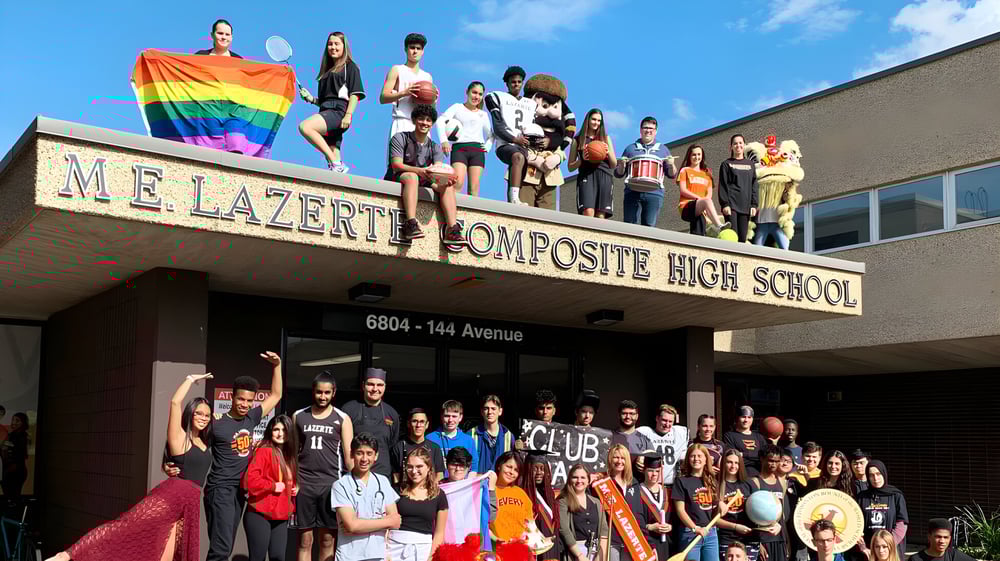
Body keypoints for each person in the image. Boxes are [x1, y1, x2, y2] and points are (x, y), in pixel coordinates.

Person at [45, 373, 214, 561]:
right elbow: (175, 403)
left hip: (189, 503)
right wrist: (190, 379)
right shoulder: (180, 437)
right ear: (190, 413)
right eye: (199, 413)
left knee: (168, 555)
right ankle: (67, 555)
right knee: (124, 526)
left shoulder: (205, 442)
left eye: (207, 415)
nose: (203, 418)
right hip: (170, 497)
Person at [204, 352, 284, 561]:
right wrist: (171, 463)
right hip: (220, 489)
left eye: (249, 400)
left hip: (240, 491)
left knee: (225, 546)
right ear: (232, 396)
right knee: (221, 548)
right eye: (241, 398)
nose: (245, 404)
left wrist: (277, 365)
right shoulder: (216, 423)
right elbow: (193, 445)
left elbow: (276, 395)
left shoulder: (252, 418)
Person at [294, 371, 353, 561]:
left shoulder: (342, 418)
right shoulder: (298, 416)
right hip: (304, 485)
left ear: (333, 393)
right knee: (305, 540)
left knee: (328, 540)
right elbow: (292, 453)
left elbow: (349, 456)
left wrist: (353, 487)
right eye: (319, 392)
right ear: (313, 391)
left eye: (327, 393)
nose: (323, 396)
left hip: (331, 486)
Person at [386, 103, 465, 243]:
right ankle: (410, 223)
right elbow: (396, 165)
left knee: (447, 186)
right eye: (421, 119)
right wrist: (420, 171)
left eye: (428, 120)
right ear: (414, 120)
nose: (424, 123)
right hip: (400, 175)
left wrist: (446, 179)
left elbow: (437, 172)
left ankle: (452, 229)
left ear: (432, 123)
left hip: (425, 178)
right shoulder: (400, 138)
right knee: (412, 177)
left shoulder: (435, 147)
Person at [297, 32, 365, 174]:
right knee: (335, 165)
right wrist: (311, 99)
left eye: (336, 44)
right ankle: (337, 173)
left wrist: (348, 115)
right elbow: (326, 101)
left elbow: (354, 94)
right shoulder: (326, 72)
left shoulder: (350, 67)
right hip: (326, 112)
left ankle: (335, 161)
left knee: (305, 127)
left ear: (344, 46)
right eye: (330, 44)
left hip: (338, 113)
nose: (333, 47)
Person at [331, 433, 401, 561]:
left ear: (376, 456)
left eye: (369, 453)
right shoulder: (340, 485)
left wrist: (359, 525)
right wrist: (384, 521)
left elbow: (395, 521)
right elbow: (352, 525)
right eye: (359, 453)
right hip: (350, 555)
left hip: (378, 554)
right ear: (352, 454)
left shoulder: (383, 481)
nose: (364, 458)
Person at [243, 414, 298, 561]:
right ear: (270, 431)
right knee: (258, 558)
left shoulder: (289, 455)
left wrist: (295, 487)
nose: (280, 434)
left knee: (278, 557)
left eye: (284, 430)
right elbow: (249, 481)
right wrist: (273, 486)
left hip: (280, 515)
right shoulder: (265, 450)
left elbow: (288, 480)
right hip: (260, 513)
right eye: (276, 429)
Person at [484, 66, 536, 205]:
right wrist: (514, 139)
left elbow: (532, 128)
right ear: (507, 83)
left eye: (519, 82)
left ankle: (512, 201)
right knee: (517, 158)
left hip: (522, 146)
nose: (516, 85)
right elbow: (498, 126)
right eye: (513, 82)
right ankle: (514, 199)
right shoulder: (497, 97)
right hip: (505, 144)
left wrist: (537, 141)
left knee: (519, 171)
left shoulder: (531, 104)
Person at [614, 116, 678, 227]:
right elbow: (618, 174)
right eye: (645, 128)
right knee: (629, 225)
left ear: (656, 131)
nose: (648, 130)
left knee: (649, 226)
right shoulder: (630, 148)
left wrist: (672, 164)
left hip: (654, 192)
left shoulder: (663, 149)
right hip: (632, 190)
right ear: (640, 130)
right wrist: (621, 165)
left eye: (651, 128)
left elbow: (672, 175)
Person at [388, 447, 449, 561]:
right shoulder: (396, 490)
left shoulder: (439, 495)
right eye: (410, 467)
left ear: (429, 467)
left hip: (423, 551)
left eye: (419, 466)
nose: (414, 471)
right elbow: (386, 523)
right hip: (394, 549)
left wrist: (431, 557)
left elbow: (439, 533)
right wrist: (386, 552)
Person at [436, 81, 493, 196]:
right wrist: (444, 141)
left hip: (477, 151)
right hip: (460, 149)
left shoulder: (483, 114)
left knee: (474, 188)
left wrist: (488, 145)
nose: (476, 96)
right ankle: (453, 212)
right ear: (467, 92)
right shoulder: (457, 107)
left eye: (480, 94)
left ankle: (471, 214)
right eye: (474, 92)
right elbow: (440, 120)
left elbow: (491, 135)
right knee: (457, 184)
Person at [342, 367, 400, 479]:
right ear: (363, 385)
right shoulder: (349, 410)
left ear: (385, 387)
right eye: (371, 384)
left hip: (382, 475)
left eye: (380, 385)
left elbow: (392, 445)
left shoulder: (392, 414)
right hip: (354, 474)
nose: (375, 389)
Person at [380, 33, 434, 138]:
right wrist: (404, 93)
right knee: (398, 155)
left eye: (418, 48)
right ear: (405, 49)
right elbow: (383, 98)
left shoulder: (427, 77)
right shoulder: (397, 70)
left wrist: (434, 100)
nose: (415, 51)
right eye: (412, 47)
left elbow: (430, 109)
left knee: (423, 154)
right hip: (402, 121)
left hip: (421, 125)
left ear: (422, 51)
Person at [673, 443, 721, 561]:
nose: (696, 459)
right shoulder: (681, 481)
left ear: (706, 460)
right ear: (688, 459)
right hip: (690, 533)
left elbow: (715, 508)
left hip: (710, 532)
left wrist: (721, 505)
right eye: (693, 456)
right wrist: (695, 528)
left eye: (700, 456)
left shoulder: (712, 482)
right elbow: (680, 510)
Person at [568, 109, 617, 218]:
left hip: (604, 175)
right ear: (588, 120)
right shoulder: (577, 139)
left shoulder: (605, 138)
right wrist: (582, 160)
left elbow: (613, 164)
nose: (596, 123)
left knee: (600, 215)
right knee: (588, 212)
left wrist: (607, 152)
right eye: (594, 119)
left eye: (599, 121)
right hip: (586, 176)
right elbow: (570, 167)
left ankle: (599, 236)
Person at [857, 460, 908, 561]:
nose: (875, 478)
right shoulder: (862, 497)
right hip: (869, 551)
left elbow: (902, 523)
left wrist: (888, 544)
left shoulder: (896, 495)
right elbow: (856, 525)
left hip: (891, 548)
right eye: (871, 475)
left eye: (878, 474)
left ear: (884, 473)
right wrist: (862, 546)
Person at [444, 446, 498, 540]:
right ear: (447, 465)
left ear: (468, 468)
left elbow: (490, 517)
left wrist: (491, 489)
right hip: (444, 543)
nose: (457, 469)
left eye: (462, 465)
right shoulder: (437, 488)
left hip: (470, 544)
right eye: (453, 464)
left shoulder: (475, 488)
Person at [677, 145, 730, 237]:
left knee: (699, 231)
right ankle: (719, 226)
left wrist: (705, 204)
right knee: (706, 201)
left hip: (701, 208)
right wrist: (700, 200)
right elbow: (683, 190)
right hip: (686, 206)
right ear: (689, 156)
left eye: (699, 154)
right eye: (694, 155)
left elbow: (709, 195)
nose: (697, 157)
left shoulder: (707, 174)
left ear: (702, 156)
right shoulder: (685, 170)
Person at [558, 463, 609, 561]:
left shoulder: (596, 502)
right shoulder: (563, 501)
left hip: (597, 551)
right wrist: (579, 556)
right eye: (575, 477)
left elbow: (604, 530)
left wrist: (600, 557)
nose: (579, 481)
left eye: (583, 477)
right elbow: (564, 529)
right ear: (569, 480)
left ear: (588, 480)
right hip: (575, 552)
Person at [747, 445, 789, 561]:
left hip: (779, 538)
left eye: (777, 461)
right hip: (762, 540)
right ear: (762, 458)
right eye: (770, 460)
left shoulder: (782, 482)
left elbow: (783, 514)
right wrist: (757, 544)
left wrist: (786, 541)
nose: (773, 464)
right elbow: (748, 516)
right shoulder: (754, 482)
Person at [521, 451, 562, 561]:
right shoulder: (523, 494)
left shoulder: (549, 495)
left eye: (542, 469)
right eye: (535, 468)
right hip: (535, 550)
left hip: (553, 547)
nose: (539, 472)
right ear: (528, 470)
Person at [718, 134, 759, 243]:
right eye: (735, 143)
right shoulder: (726, 164)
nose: (738, 145)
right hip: (732, 206)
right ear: (731, 146)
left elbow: (754, 185)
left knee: (742, 238)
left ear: (744, 145)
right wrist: (725, 204)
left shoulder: (750, 164)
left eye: (740, 143)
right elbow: (723, 185)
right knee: (733, 236)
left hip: (745, 206)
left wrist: (754, 204)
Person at [716, 450, 756, 561]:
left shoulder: (749, 483)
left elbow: (760, 509)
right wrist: (735, 527)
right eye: (729, 462)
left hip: (749, 537)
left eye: (736, 463)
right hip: (727, 538)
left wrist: (773, 523)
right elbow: (714, 519)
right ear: (723, 463)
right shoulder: (716, 485)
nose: (733, 466)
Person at [637, 404, 689, 486]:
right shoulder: (645, 432)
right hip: (649, 484)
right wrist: (639, 456)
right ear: (657, 418)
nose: (667, 424)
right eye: (664, 420)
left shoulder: (680, 433)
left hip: (671, 484)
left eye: (670, 421)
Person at [391, 408, 446, 484]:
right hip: (406, 492)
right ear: (408, 424)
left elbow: (439, 475)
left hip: (429, 493)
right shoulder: (398, 447)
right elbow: (396, 476)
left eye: (422, 422)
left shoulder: (435, 448)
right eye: (414, 421)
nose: (418, 425)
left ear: (427, 425)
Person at [606, 444, 642, 561]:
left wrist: (647, 542)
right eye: (616, 457)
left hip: (631, 541)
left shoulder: (634, 484)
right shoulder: (603, 484)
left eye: (623, 458)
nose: (619, 461)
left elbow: (638, 514)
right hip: (611, 540)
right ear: (610, 459)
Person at [427, 400, 479, 478]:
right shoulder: (430, 438)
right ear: (441, 416)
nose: (450, 420)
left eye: (454, 416)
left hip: (459, 487)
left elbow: (474, 467)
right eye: (447, 416)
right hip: (436, 485)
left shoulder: (468, 440)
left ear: (460, 417)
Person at [636, 454, 673, 561]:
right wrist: (650, 527)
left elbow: (675, 519)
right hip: (645, 542)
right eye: (650, 470)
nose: (654, 474)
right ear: (644, 470)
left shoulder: (668, 493)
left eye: (657, 471)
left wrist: (670, 527)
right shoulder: (636, 492)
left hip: (665, 544)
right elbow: (633, 520)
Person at [492, 451, 534, 544]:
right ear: (499, 466)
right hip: (495, 549)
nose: (511, 472)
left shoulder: (521, 494)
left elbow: (530, 524)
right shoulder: (488, 491)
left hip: (519, 549)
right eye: (509, 467)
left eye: (516, 470)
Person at [470, 395, 514, 476]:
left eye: (493, 408)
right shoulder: (471, 434)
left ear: (500, 411)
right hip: (477, 484)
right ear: (481, 411)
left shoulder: (508, 436)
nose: (490, 412)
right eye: (486, 408)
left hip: (501, 485)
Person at [611, 400, 655, 473]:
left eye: (632, 414)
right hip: (614, 482)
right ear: (618, 415)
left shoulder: (645, 440)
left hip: (637, 482)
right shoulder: (609, 437)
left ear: (637, 416)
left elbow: (654, 465)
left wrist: (645, 463)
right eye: (624, 413)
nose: (628, 417)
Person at [722, 406, 768, 476]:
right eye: (743, 417)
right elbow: (734, 458)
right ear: (737, 418)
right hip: (739, 476)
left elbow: (765, 457)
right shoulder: (729, 436)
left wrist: (743, 455)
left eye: (749, 417)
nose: (746, 420)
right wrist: (756, 458)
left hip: (759, 477)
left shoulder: (759, 437)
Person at [907, 519, 975, 561]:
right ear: (929, 537)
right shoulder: (916, 559)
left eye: (945, 537)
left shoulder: (953, 555)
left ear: (950, 538)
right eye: (938, 537)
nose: (942, 541)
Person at [0, 412, 29, 498]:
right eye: (13, 420)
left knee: (13, 497)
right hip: (7, 470)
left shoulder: (23, 436)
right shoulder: (11, 435)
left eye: (17, 420)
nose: (14, 422)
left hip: (16, 471)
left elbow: (20, 453)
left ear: (23, 423)